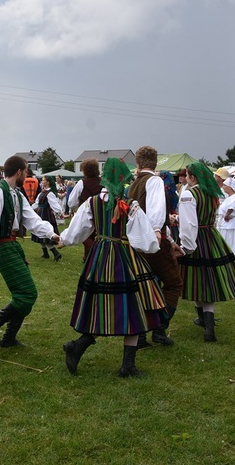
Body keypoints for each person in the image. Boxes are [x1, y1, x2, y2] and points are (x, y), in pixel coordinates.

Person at [60, 158, 165, 377]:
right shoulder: (130, 203)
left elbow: (78, 229)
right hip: (124, 257)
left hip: (99, 257)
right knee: (134, 308)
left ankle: (78, 346)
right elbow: (142, 234)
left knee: (101, 303)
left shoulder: (93, 202)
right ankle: (127, 365)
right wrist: (154, 243)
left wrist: (63, 239)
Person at [0, 155, 59, 347]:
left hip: (12, 244)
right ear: (19, 172)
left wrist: (52, 234)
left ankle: (9, 337)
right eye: (26, 171)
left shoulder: (16, 193)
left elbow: (31, 219)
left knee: (24, 294)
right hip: (1, 246)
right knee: (27, 293)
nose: (28, 175)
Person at [176, 162, 235, 342]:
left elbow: (189, 224)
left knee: (196, 279)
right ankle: (207, 325)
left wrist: (186, 246)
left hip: (196, 239)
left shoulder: (189, 194)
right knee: (207, 281)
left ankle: (205, 322)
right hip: (211, 238)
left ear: (192, 177)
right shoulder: (211, 193)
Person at [126, 147, 183, 348]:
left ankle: (141, 336)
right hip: (153, 242)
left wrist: (172, 241)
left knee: (145, 287)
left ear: (138, 164)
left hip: (135, 244)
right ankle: (158, 327)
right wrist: (158, 232)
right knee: (174, 284)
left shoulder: (132, 185)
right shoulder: (155, 181)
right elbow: (156, 210)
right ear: (155, 163)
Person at [68, 158, 103, 261]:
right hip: (101, 214)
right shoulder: (104, 182)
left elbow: (72, 201)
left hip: (86, 213)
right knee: (97, 235)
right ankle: (87, 257)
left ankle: (97, 255)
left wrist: (73, 209)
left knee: (85, 236)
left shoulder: (82, 183)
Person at [30, 175, 63, 261]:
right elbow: (37, 204)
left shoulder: (50, 193)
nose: (42, 182)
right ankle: (45, 253)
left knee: (46, 234)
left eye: (44, 180)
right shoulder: (42, 192)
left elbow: (54, 205)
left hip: (46, 214)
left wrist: (60, 212)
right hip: (40, 213)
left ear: (48, 182)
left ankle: (56, 253)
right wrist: (29, 209)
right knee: (40, 233)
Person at [216, 184, 235, 274]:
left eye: (225, 185)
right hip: (225, 225)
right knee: (226, 245)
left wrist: (227, 215)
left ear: (230, 187)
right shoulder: (229, 197)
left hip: (233, 225)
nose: (223, 187)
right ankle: (227, 267)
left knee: (234, 246)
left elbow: (232, 207)